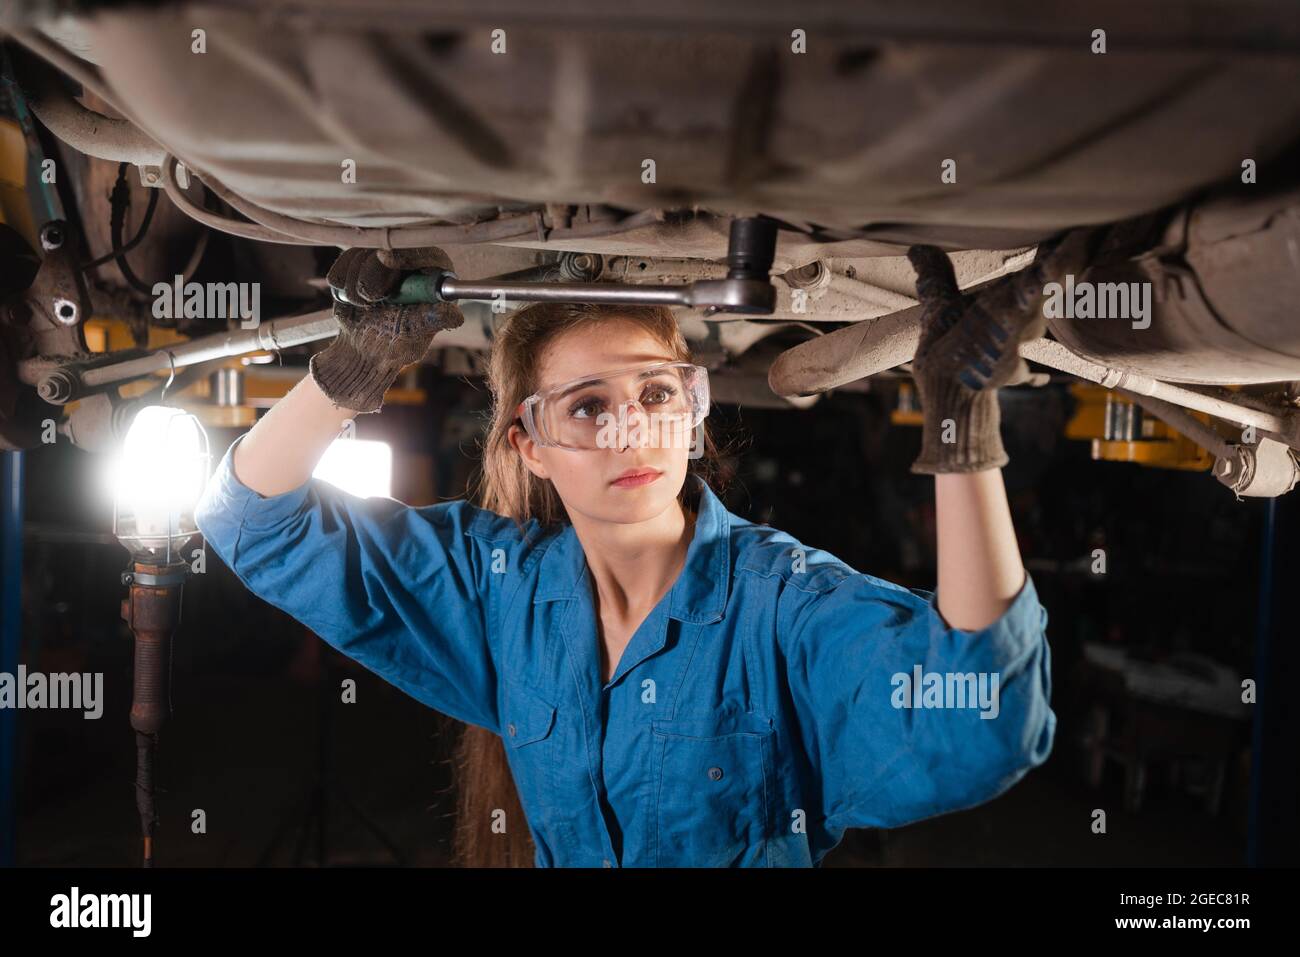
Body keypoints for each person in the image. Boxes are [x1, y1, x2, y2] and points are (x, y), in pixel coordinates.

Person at [195, 239, 1077, 867]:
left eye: (657, 392)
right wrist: (352, 367)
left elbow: (980, 722)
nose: (630, 427)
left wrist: (961, 423)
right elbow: (250, 522)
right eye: (586, 406)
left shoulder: (781, 603)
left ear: (690, 417)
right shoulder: (498, 590)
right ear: (528, 443)